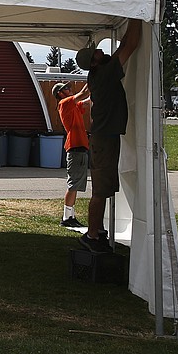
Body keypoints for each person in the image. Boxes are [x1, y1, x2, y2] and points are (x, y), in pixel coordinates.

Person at [74, 18, 142, 254]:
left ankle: (98, 231)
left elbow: (123, 46)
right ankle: (92, 236)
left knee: (104, 188)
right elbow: (131, 44)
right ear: (94, 62)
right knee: (100, 191)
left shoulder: (102, 70)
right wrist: (136, 14)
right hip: (104, 139)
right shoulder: (105, 73)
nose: (101, 49)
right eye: (96, 51)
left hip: (105, 137)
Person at [52, 81, 90, 229]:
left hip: (79, 147)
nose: (69, 89)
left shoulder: (73, 105)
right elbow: (84, 94)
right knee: (73, 184)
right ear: (60, 93)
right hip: (75, 147)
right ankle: (67, 217)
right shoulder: (64, 103)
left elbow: (87, 101)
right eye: (66, 88)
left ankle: (70, 216)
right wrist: (92, 80)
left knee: (75, 183)